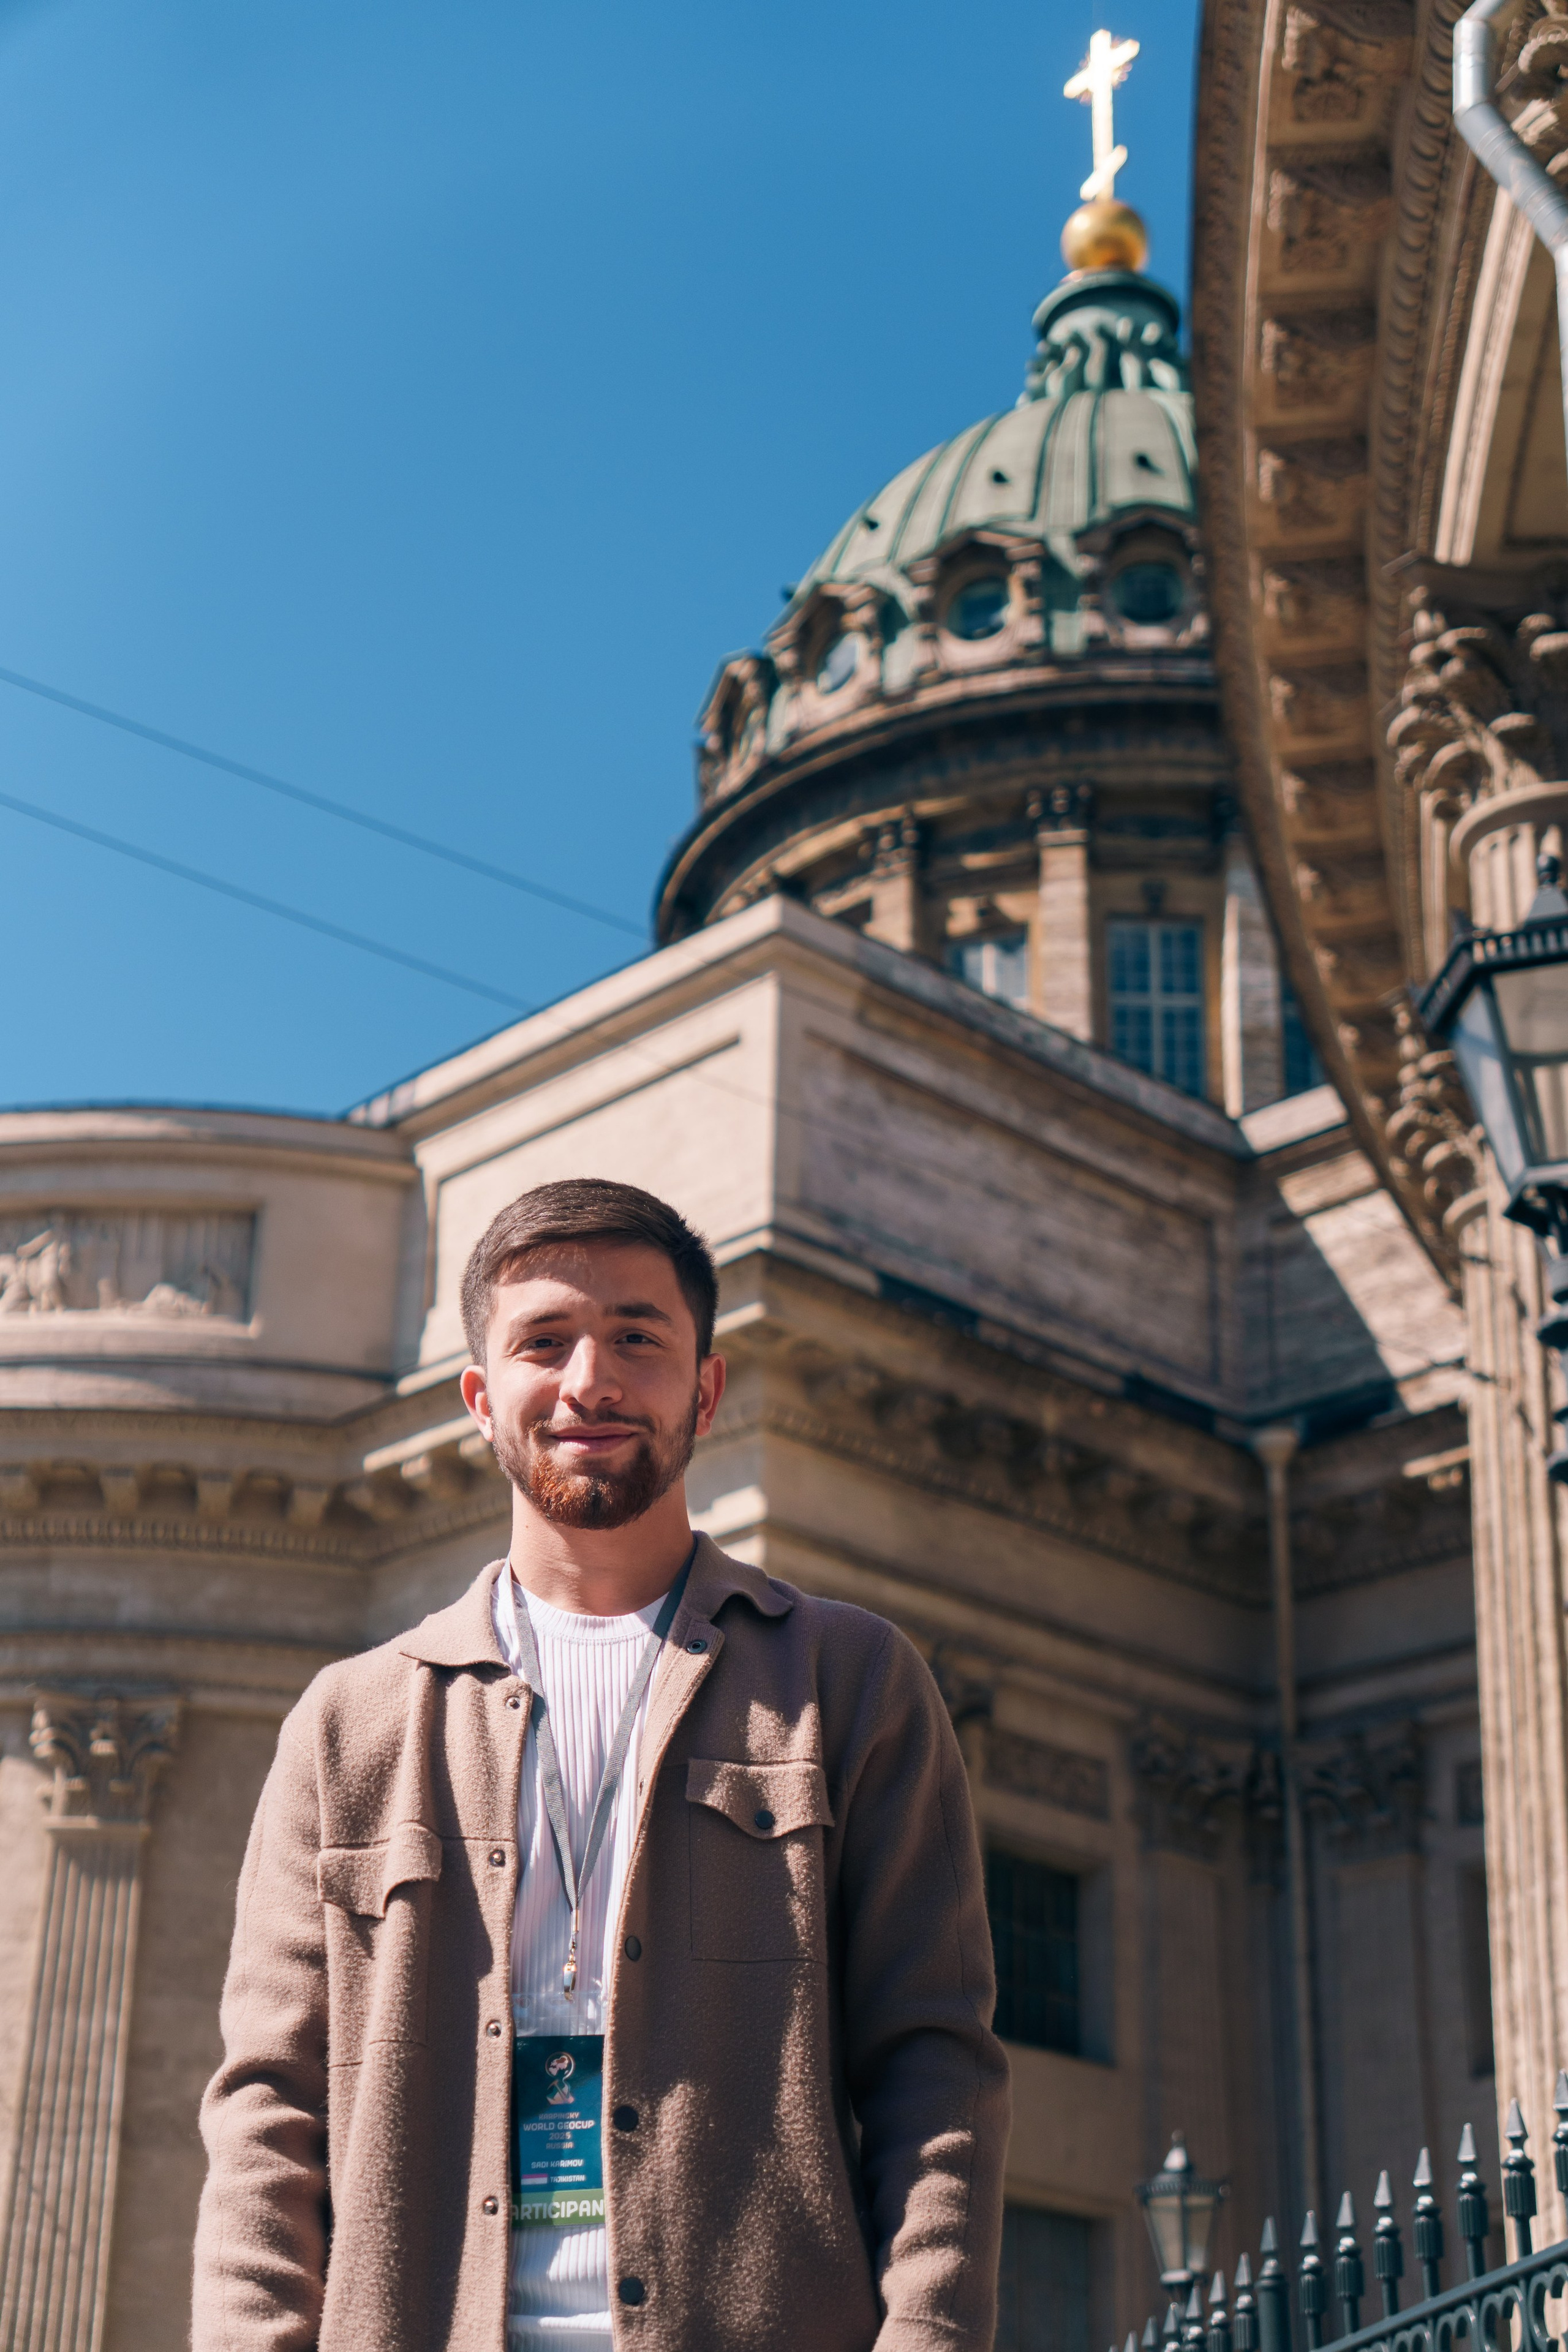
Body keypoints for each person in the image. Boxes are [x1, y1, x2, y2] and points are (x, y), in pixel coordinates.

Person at [192, 1177, 1009, 2352]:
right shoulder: (350, 1724)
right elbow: (271, 2106)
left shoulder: (850, 1682)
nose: (591, 1379)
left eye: (638, 1335)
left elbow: (936, 2066)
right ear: (482, 1397)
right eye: (545, 1342)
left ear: (707, 1387)